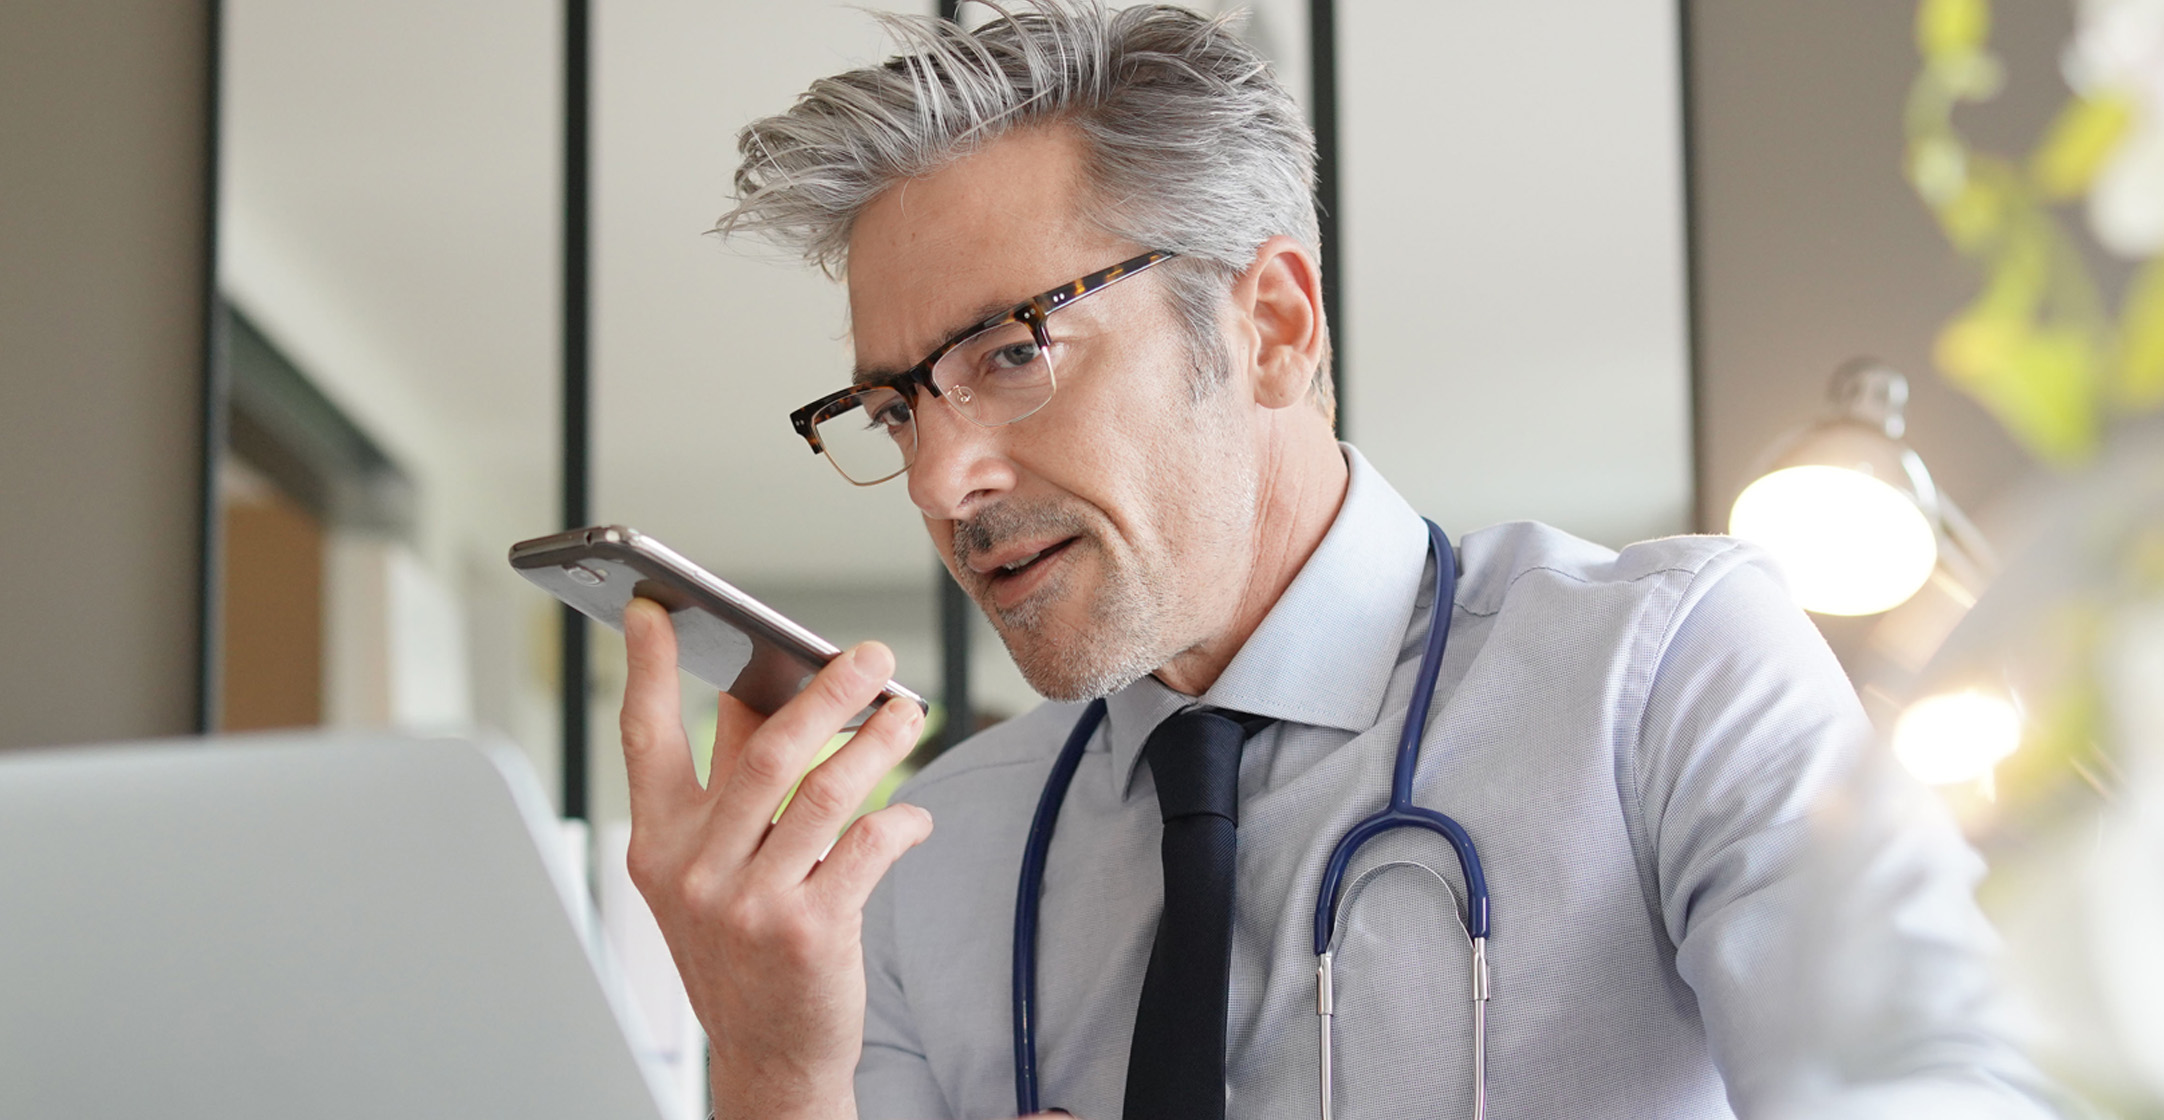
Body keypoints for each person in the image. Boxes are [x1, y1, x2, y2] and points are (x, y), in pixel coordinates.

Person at [614, 4, 2047, 1118]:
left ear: (1275, 325)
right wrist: (771, 1070)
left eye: (1012, 351)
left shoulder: (1665, 676)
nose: (940, 479)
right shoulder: (931, 861)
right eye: (894, 406)